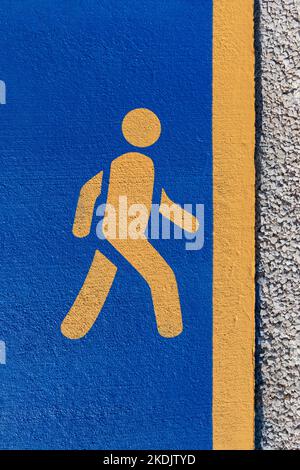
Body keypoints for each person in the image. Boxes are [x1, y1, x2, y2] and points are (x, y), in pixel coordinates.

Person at [61, 108, 198, 340]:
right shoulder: (131, 165)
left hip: (117, 234)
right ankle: (171, 332)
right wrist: (80, 228)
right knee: (163, 276)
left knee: (99, 280)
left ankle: (73, 328)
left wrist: (188, 222)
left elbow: (161, 202)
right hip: (123, 236)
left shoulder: (139, 166)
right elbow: (91, 190)